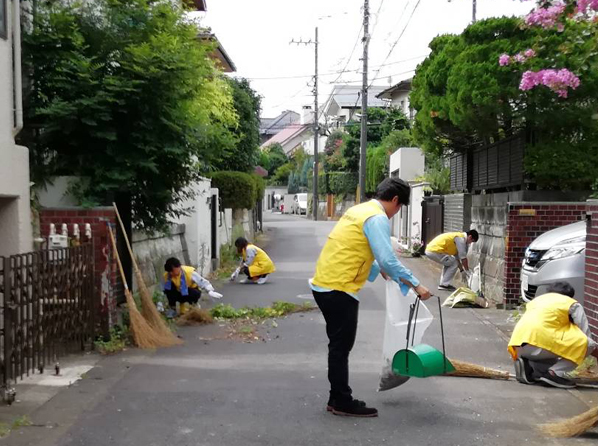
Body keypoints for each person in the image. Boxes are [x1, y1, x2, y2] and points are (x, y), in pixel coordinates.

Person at [310, 178, 431, 418]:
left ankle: (337, 398)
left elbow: (354, 248)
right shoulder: (377, 218)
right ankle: (342, 400)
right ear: (395, 200)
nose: (396, 214)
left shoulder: (359, 210)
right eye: (399, 208)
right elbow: (387, 258)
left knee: (338, 346)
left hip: (325, 283)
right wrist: (416, 285)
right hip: (339, 288)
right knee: (340, 347)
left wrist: (379, 271)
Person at [508, 281, 598, 389]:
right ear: (569, 295)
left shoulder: (537, 301)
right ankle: (554, 373)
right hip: (540, 344)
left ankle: (531, 368)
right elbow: (586, 337)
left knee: (552, 360)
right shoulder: (571, 303)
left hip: (518, 345)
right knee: (587, 344)